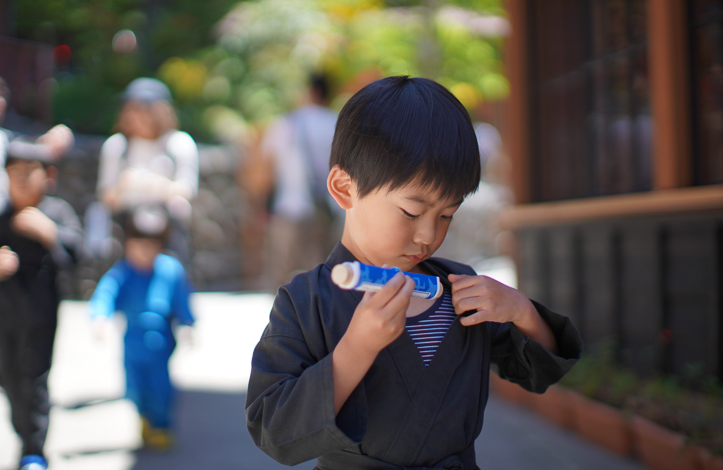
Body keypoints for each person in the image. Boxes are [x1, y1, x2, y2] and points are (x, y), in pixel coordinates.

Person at [245, 76, 583, 469]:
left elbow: (538, 371)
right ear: (343, 188)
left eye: (447, 215)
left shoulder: (459, 289)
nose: (427, 235)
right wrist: (357, 348)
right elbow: (273, 428)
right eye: (411, 211)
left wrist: (521, 310)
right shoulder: (307, 301)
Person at [0, 66, 73, 402]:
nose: (0, 102)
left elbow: (28, 156)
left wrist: (52, 140)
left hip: (0, 232)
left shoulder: (2, 138)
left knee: (5, 306)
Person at [0, 140, 83, 470]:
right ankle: (25, 437)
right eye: (13, 172)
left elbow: (78, 256)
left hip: (42, 317)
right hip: (5, 316)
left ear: (48, 176)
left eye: (29, 171)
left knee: (33, 380)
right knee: (5, 374)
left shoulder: (57, 213)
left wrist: (49, 233)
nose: (20, 179)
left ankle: (34, 452)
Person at [88, 205, 195, 451]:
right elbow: (105, 294)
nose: (145, 252)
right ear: (127, 244)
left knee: (161, 387)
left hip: (161, 342)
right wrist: (100, 317)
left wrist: (188, 324)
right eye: (139, 245)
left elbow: (182, 300)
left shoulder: (170, 270)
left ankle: (162, 424)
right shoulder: (123, 272)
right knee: (133, 386)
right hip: (133, 342)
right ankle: (143, 415)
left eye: (152, 246)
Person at [96, 77, 199, 267]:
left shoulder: (179, 143)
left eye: (141, 109)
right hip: (126, 231)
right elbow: (106, 196)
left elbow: (187, 190)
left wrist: (148, 183)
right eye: (130, 108)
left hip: (167, 234)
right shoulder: (117, 146)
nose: (133, 115)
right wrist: (124, 186)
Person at [259, 72, 341, 290]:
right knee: (320, 273)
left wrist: (263, 206)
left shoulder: (287, 123)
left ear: (310, 91)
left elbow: (267, 170)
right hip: (325, 208)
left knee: (282, 272)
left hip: (288, 207)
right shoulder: (336, 123)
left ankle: (282, 321)